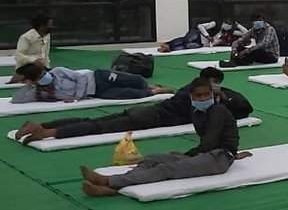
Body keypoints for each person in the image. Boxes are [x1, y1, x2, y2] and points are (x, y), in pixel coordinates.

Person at [79, 79, 251, 196]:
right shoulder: (197, 111)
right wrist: (187, 155)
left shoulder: (218, 110)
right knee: (151, 159)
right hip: (206, 153)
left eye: (207, 95)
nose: (203, 98)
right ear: (191, 97)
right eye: (198, 96)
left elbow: (210, 142)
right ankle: (115, 188)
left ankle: (109, 182)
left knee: (166, 168)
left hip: (219, 157)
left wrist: (187, 156)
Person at [14, 68, 251, 144]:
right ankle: (49, 131)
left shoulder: (193, 92)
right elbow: (245, 107)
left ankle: (43, 125)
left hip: (145, 113)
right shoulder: (196, 97)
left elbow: (243, 107)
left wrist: (221, 94)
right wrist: (220, 95)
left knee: (96, 122)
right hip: (148, 118)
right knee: (98, 127)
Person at [12, 63, 170, 105]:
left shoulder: (58, 71)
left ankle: (151, 86)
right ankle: (155, 91)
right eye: (39, 77)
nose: (44, 77)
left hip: (98, 77)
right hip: (96, 93)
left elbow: (79, 78)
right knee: (129, 94)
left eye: (42, 73)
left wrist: (77, 98)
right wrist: (29, 84)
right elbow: (17, 100)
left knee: (135, 81)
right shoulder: (41, 93)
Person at [156, 20, 236, 53]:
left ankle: (170, 48)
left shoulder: (226, 36)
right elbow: (200, 26)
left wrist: (216, 42)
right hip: (198, 34)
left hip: (201, 43)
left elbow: (245, 32)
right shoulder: (215, 24)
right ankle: (167, 44)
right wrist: (207, 36)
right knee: (188, 40)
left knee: (189, 46)